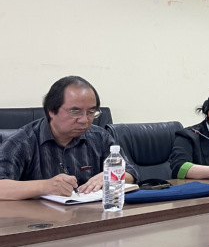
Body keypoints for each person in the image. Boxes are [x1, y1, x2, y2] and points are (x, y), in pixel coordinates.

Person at [0, 76, 138, 200]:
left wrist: (111, 176)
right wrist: (45, 186)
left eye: (91, 112)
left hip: (90, 215)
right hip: (38, 217)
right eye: (75, 112)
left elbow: (131, 173)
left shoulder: (99, 137)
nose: (84, 120)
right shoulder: (22, 141)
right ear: (51, 111)